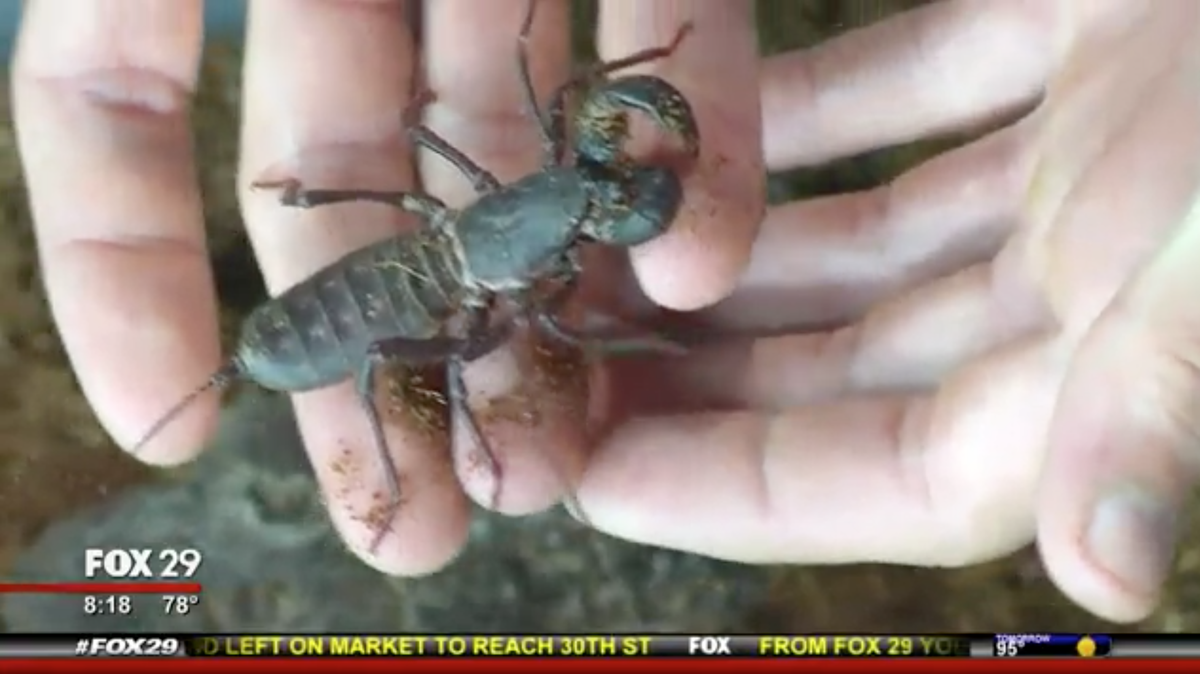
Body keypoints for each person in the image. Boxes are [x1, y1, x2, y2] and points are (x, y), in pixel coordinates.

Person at [12, 0, 1198, 625]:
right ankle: (380, 389)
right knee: (427, 356)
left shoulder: (536, 196)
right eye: (596, 195)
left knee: (463, 290)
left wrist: (608, 134)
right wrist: (589, 270)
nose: (598, 194)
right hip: (390, 293)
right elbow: (558, 309)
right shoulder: (542, 249)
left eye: (596, 194)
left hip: (439, 258)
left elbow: (519, 129)